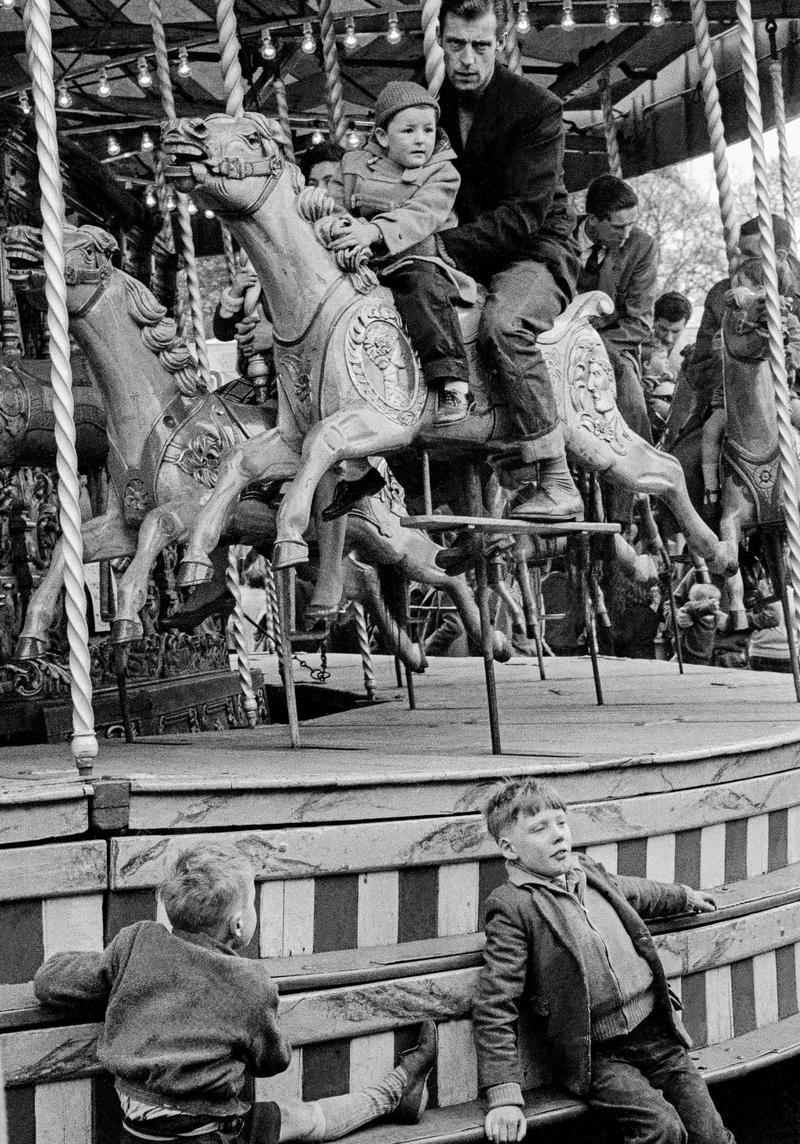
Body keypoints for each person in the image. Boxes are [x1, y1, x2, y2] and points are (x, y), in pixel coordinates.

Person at [33, 841, 438, 1144]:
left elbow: (50, 981)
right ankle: (392, 1092)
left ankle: (398, 1097)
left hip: (137, 1133)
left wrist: (117, 967)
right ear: (240, 925)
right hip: (210, 1133)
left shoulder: (138, 941)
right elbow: (273, 1061)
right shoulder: (249, 982)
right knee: (308, 1119)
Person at [474, 776, 735, 1144]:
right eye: (539, 829)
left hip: (655, 1033)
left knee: (708, 1133)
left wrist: (682, 896)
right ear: (509, 848)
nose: (557, 835)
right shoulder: (514, 906)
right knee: (662, 1128)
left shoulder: (586, 872)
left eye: (561, 823)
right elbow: (495, 1003)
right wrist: (503, 1093)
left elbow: (634, 892)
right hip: (599, 1056)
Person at [433, 0, 582, 521]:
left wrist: (440, 247)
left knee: (502, 323)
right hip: (466, 255)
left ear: (499, 43)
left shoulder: (535, 109)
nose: (468, 59)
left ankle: (555, 472)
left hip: (534, 252)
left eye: (480, 45)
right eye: (456, 45)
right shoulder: (431, 108)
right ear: (440, 41)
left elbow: (523, 214)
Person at [322, 80, 476, 519]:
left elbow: (422, 213)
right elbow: (331, 206)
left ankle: (452, 382)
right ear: (383, 136)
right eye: (408, 131)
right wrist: (339, 230)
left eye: (427, 130)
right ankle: (358, 465)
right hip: (360, 266)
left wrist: (373, 231)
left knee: (422, 291)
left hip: (413, 260)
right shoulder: (353, 164)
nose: (420, 140)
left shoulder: (443, 170)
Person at [577, 174, 658, 443]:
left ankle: (639, 474)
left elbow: (640, 322)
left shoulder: (641, 246)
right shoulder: (559, 235)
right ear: (593, 218)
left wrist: (593, 348)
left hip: (611, 345)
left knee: (632, 411)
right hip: (554, 339)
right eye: (617, 226)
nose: (626, 234)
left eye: (631, 224)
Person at [641, 292, 692, 441]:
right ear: (653, 320)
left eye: (676, 331)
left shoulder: (692, 352)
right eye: (663, 329)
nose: (669, 338)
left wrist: (671, 411)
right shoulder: (639, 345)